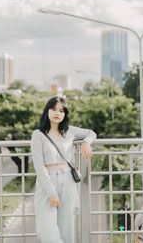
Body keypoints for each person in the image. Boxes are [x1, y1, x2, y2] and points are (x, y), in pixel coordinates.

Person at [31, 96, 96, 243]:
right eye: (53, 109)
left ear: (65, 114)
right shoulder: (38, 135)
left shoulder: (69, 131)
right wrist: (51, 192)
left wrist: (86, 142)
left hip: (67, 179)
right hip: (47, 180)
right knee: (47, 233)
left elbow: (91, 133)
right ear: (47, 111)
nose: (57, 113)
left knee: (67, 230)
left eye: (61, 111)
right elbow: (39, 167)